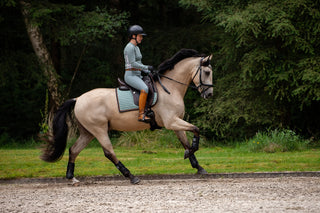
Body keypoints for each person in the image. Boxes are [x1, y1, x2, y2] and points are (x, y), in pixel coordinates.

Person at [124, 25, 154, 122]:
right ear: (133, 36)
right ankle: (141, 114)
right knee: (144, 88)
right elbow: (132, 63)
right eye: (140, 36)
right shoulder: (129, 47)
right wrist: (146, 67)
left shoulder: (136, 48)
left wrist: (147, 71)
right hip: (130, 75)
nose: (141, 38)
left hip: (137, 74)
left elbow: (139, 63)